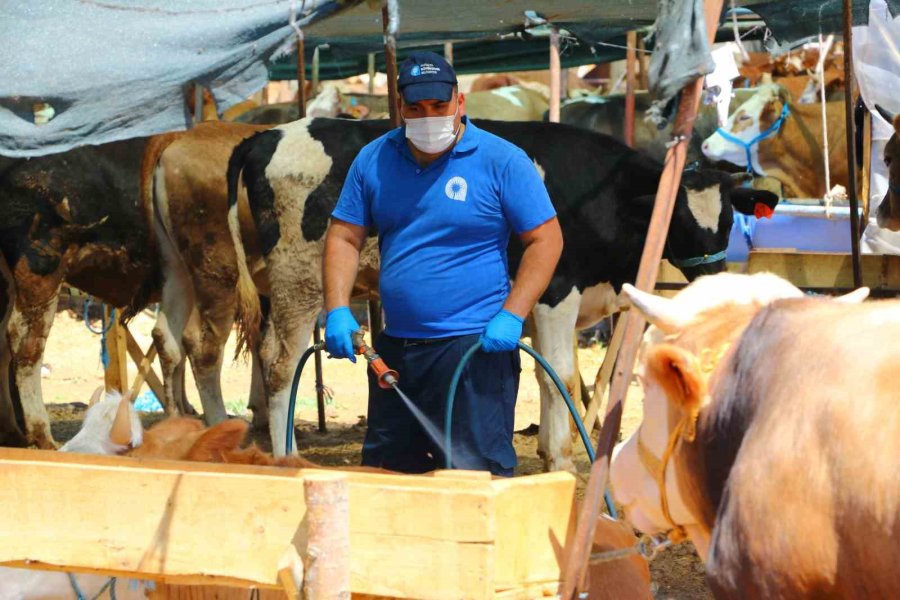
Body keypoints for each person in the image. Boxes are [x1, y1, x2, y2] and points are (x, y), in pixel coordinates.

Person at [322, 51, 562, 476]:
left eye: (438, 106)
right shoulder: (374, 160)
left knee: (473, 480)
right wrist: (338, 308)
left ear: (460, 102)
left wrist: (513, 315)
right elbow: (344, 236)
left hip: (472, 350)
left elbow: (545, 239)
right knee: (387, 478)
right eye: (415, 109)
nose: (427, 117)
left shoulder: (502, 161)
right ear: (400, 108)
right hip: (396, 351)